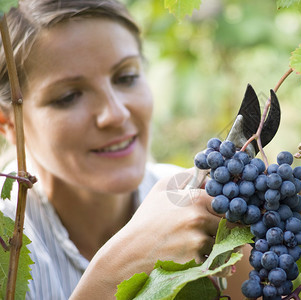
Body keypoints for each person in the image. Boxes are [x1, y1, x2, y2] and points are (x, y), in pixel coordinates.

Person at [0, 0, 250, 299]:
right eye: (68, 96)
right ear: (8, 125)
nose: (116, 114)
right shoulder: (7, 244)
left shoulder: (201, 208)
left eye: (126, 77)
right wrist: (117, 268)